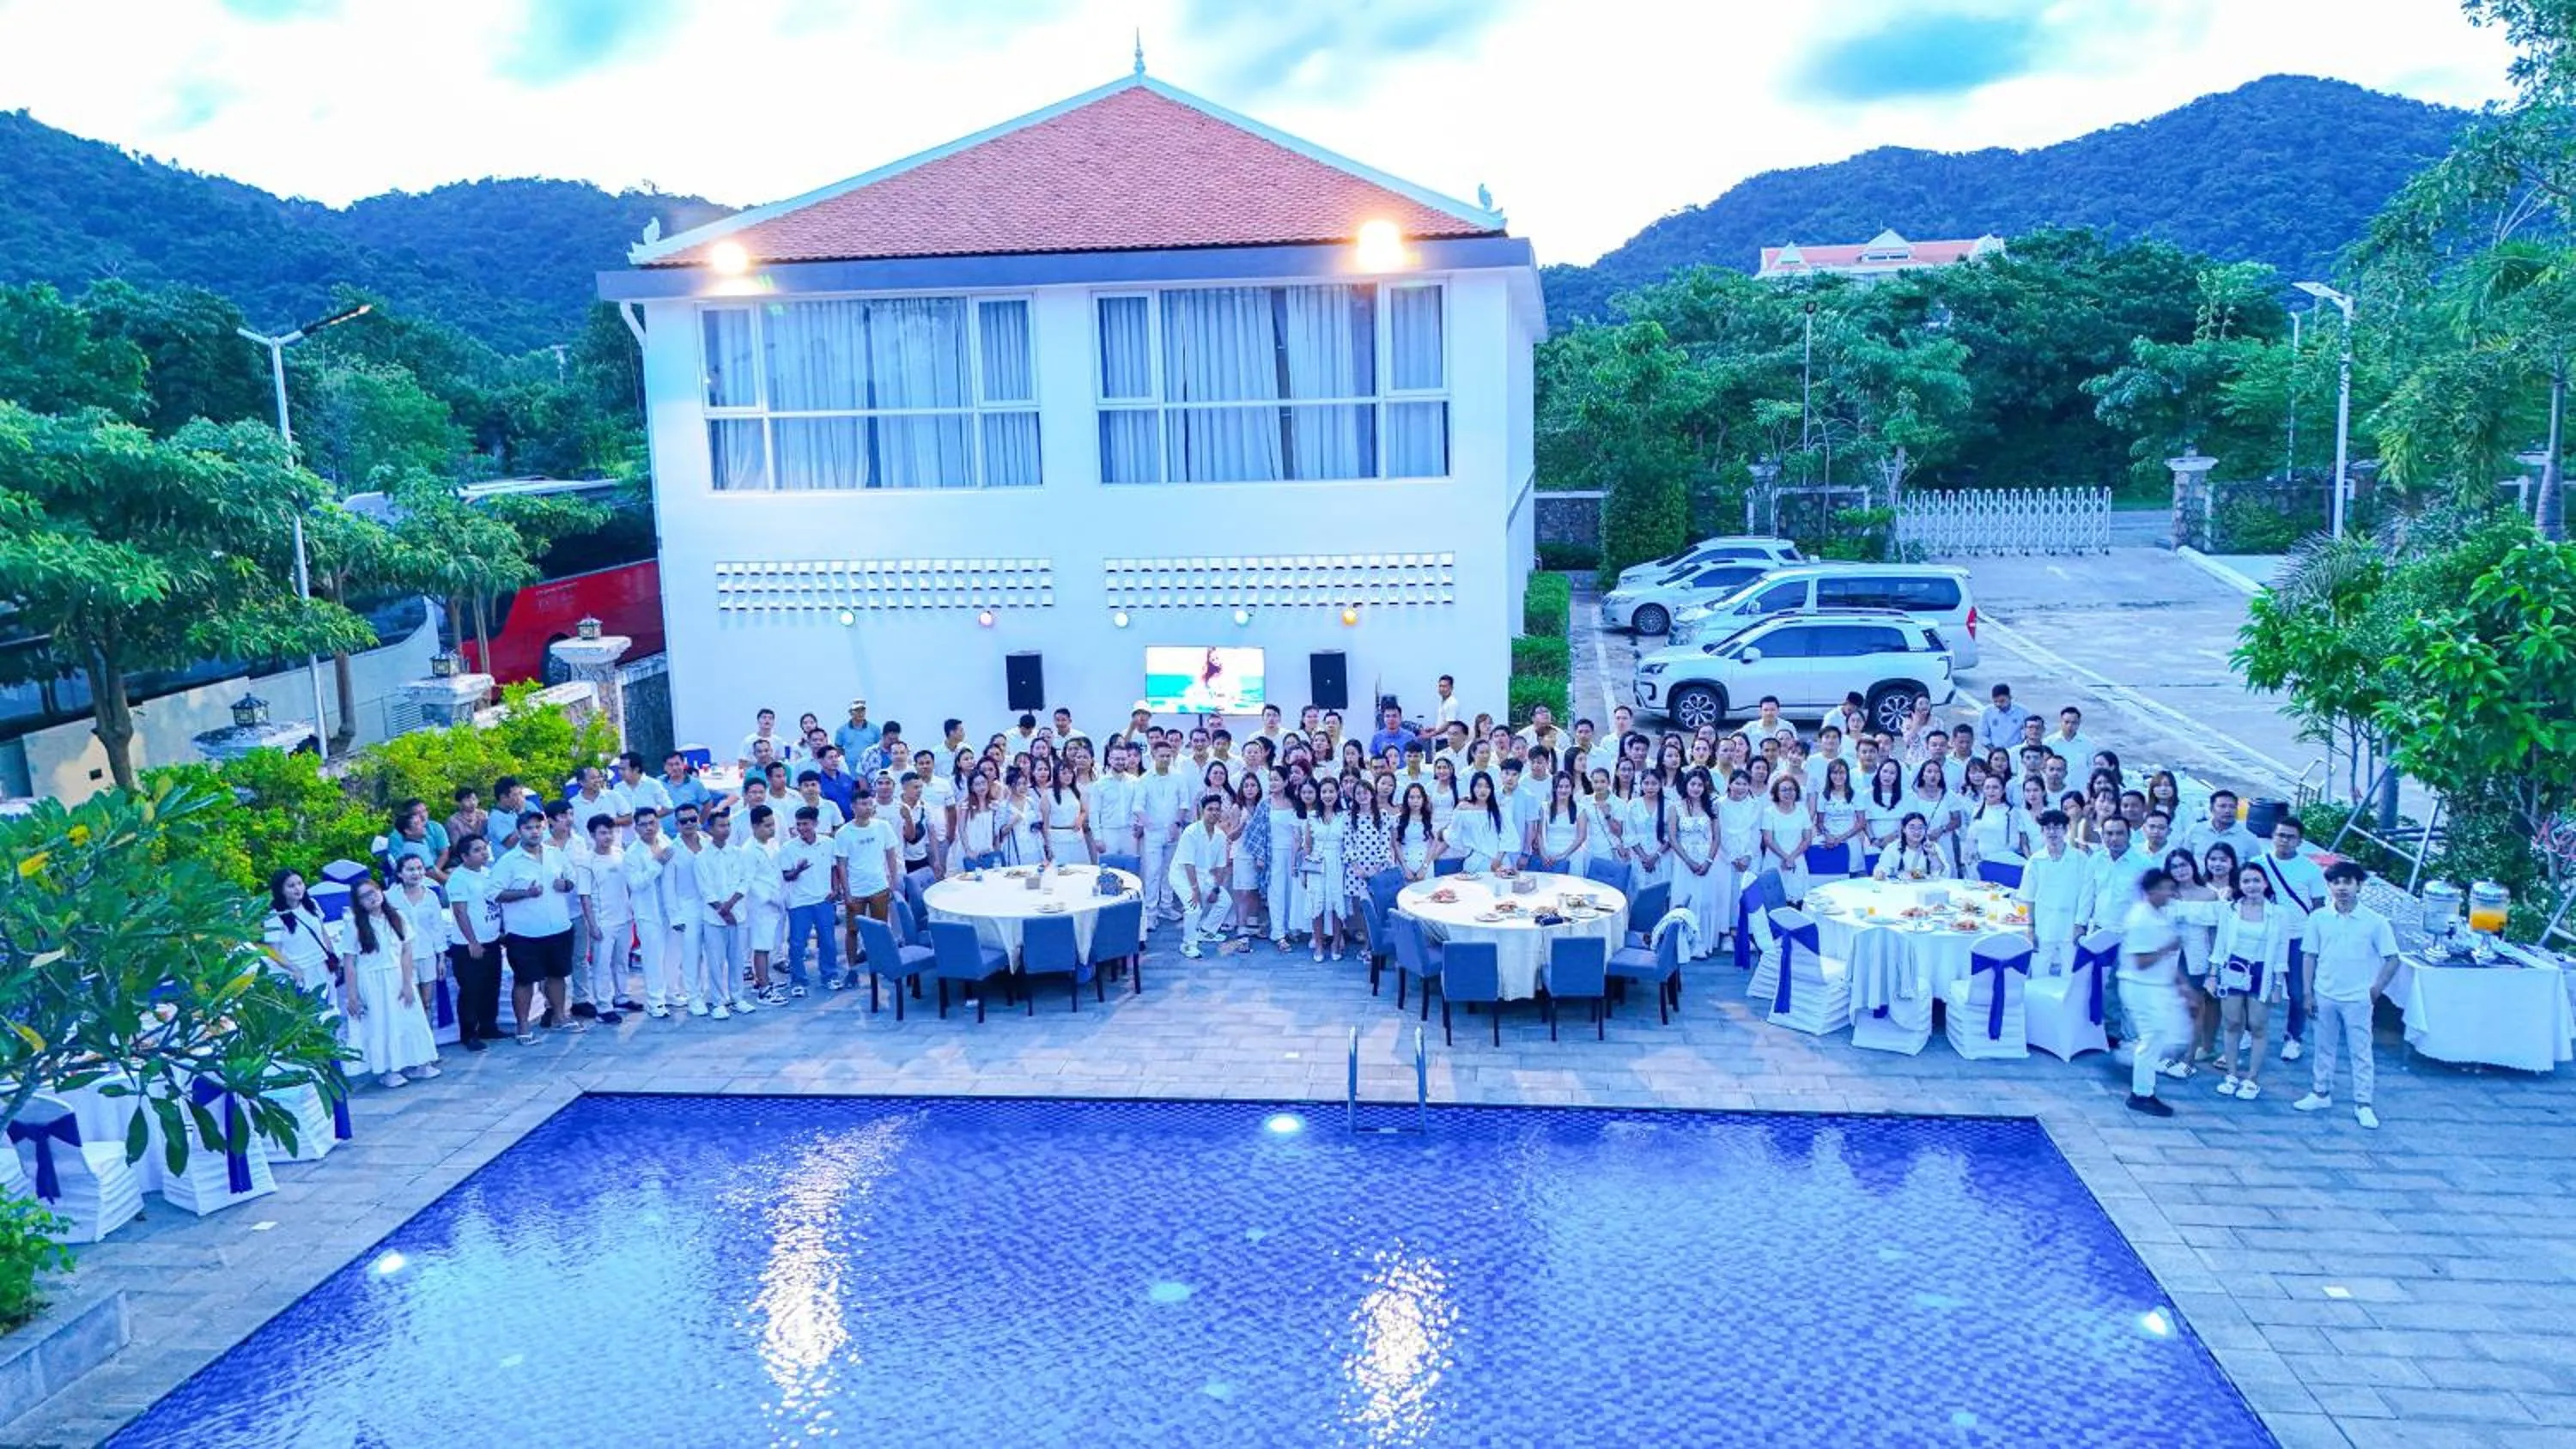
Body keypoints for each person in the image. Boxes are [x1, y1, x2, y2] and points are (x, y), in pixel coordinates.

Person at [2293, 861, 2400, 1129]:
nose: (2341, 888)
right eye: (2336, 882)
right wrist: (2307, 992)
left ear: (2359, 886)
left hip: (2358, 997)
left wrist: (2376, 990)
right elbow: (2309, 956)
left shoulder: (2375, 922)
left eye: (2347, 882)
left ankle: (2363, 1103)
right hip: (2325, 993)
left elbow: (2392, 958)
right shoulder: (2318, 918)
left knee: (2360, 1051)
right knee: (2323, 1046)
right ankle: (2320, 1092)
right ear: (2329, 886)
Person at [2206, 861, 2301, 1100]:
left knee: (2258, 1025)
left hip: (2262, 971)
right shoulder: (2230, 910)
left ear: (2265, 883)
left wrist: (2278, 985)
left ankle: (2252, 1078)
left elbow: (2281, 950)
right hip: (2232, 969)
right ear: (2239, 885)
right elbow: (2220, 945)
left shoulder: (2279, 914)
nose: (2251, 885)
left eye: (2256, 880)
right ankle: (2231, 1074)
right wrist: (2213, 975)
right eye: (2246, 881)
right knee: (2231, 1023)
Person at [338, 876, 442, 1088]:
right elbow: (349, 962)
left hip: (397, 976)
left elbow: (406, 952)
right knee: (382, 1024)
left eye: (374, 891)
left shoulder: (397, 917)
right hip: (372, 980)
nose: (372, 898)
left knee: (411, 1020)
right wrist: (352, 995)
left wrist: (407, 982)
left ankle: (419, 1063)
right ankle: (388, 1069)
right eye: (365, 896)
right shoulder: (354, 925)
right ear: (358, 902)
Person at [492, 809, 578, 1039]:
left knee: (557, 975)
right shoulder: (508, 861)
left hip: (558, 927)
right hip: (524, 933)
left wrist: (566, 885)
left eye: (538, 827)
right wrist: (525, 893)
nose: (534, 832)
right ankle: (523, 1027)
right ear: (519, 831)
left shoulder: (555, 853)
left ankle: (560, 1017)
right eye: (528, 828)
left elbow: (572, 878)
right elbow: (494, 893)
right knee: (525, 980)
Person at [2254, 815, 2328, 1061]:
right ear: (2272, 836)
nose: (2284, 841)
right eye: (2280, 835)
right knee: (2255, 987)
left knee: (2298, 992)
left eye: (2290, 837)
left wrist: (2317, 942)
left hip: (2298, 938)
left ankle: (2294, 1037)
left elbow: (2318, 907)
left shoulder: (2311, 870)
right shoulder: (2257, 864)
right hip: (2263, 936)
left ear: (2300, 841)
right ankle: (2249, 1031)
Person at [2120, 870, 2190, 1117]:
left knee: (2162, 1037)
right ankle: (2141, 1093)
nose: (2170, 893)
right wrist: (2167, 948)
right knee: (2152, 1038)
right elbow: (2141, 962)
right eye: (2164, 888)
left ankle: (2138, 1078)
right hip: (2141, 988)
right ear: (2151, 891)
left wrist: (2182, 984)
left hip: (2157, 986)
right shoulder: (2141, 919)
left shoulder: (2158, 915)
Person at [572, 812, 635, 1024]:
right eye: (602, 833)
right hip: (603, 921)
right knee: (602, 965)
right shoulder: (586, 861)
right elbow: (585, 896)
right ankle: (603, 1007)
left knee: (622, 961)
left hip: (624, 918)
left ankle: (621, 997)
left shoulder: (620, 854)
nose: (608, 837)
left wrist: (632, 910)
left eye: (610, 832)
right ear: (592, 835)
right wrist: (592, 925)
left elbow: (628, 885)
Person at [444, 837, 502, 1050]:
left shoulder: (487, 873)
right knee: (471, 990)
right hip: (468, 945)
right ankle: (469, 1034)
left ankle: (489, 1026)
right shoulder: (458, 879)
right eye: (477, 850)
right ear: (464, 856)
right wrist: (473, 942)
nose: (484, 853)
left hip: (492, 940)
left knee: (491, 985)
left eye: (484, 848)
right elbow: (460, 912)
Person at [2015, 811, 2086, 975]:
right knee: (2038, 976)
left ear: (2066, 830)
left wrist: (2081, 925)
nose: (2052, 832)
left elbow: (2086, 896)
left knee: (2070, 978)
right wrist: (2030, 928)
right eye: (2047, 828)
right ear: (2042, 831)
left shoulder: (2080, 859)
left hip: (2071, 927)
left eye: (2057, 827)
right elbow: (2027, 898)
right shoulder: (2035, 861)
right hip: (2043, 927)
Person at [389, 854, 452, 1034]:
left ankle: (428, 1041)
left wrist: (441, 958)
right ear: (400, 873)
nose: (416, 873)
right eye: (410, 869)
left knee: (426, 1002)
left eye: (419, 868)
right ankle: (411, 1042)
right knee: (409, 1003)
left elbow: (437, 928)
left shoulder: (431, 896)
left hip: (427, 955)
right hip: (401, 958)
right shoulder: (390, 897)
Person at [835, 793, 902, 961]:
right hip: (856, 889)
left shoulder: (883, 826)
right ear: (853, 807)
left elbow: (891, 856)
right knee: (852, 930)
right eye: (863, 804)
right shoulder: (843, 833)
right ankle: (852, 966)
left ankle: (880, 961)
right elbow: (841, 865)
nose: (868, 808)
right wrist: (847, 893)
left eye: (870, 804)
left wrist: (893, 882)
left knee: (881, 928)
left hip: (879, 887)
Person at [1170, 793, 1233, 959]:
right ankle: (1188, 945)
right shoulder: (1191, 832)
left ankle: (1206, 931)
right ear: (1202, 811)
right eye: (1210, 809)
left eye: (1217, 810)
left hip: (1204, 876)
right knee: (1194, 908)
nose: (1214, 813)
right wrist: (1195, 890)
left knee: (1225, 901)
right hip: (1182, 876)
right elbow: (1188, 864)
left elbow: (1221, 867)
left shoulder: (1220, 836)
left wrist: (1216, 889)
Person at [739, 805, 788, 1005]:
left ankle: (762, 980)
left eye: (772, 824)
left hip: (775, 903)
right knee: (761, 947)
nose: (772, 829)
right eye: (767, 826)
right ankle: (764, 989)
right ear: (754, 826)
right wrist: (769, 899)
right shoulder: (748, 851)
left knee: (768, 945)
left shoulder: (773, 844)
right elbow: (748, 882)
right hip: (760, 906)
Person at [263, 869, 338, 996]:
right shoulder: (275, 916)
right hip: (298, 972)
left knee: (328, 1002)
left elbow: (323, 933)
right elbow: (275, 952)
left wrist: (333, 955)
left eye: (300, 883)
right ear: (280, 890)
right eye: (291, 886)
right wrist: (295, 970)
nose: (298, 888)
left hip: (321, 965)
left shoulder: (312, 904)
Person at [1449, 771, 1510, 873]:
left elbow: (1507, 835)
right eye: (1479, 786)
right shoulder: (1463, 808)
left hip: (1499, 862)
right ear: (1472, 788)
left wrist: (1498, 858)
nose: (1483, 790)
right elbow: (1454, 833)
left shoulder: (1499, 809)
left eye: (1487, 787)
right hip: (1475, 862)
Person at [1873, 814, 1947, 881]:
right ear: (1904, 829)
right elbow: (1882, 869)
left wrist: (1934, 855)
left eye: (1920, 828)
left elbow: (1943, 874)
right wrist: (1881, 873)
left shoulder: (1933, 847)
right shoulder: (1892, 848)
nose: (1917, 832)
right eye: (1912, 828)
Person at [1978, 682, 2032, 753]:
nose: (1998, 704)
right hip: (1994, 752)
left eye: (2002, 701)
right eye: (1995, 701)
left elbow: (2030, 731)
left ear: (2010, 698)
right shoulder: (1987, 712)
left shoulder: (2022, 712)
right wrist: (1994, 750)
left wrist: (2022, 746)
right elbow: (1983, 735)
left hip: (2016, 751)